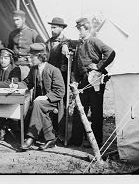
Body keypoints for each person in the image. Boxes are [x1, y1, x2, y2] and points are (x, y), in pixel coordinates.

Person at [69, 18, 115, 147]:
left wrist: (99, 66)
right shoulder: (79, 43)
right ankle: (76, 140)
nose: (78, 31)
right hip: (83, 81)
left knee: (96, 112)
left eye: (80, 29)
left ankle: (96, 141)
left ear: (87, 29)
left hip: (94, 80)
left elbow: (110, 52)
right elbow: (76, 62)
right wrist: (75, 79)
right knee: (80, 109)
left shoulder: (94, 41)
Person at [18, 43, 65, 151]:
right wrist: (16, 85)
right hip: (39, 102)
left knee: (37, 103)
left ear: (41, 57)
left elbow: (60, 91)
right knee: (37, 104)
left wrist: (46, 97)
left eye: (32, 57)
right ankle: (51, 138)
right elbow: (27, 83)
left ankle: (30, 138)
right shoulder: (34, 69)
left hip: (53, 100)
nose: (30, 59)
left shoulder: (54, 70)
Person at [0, 48, 26, 140]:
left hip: (9, 99)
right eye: (1, 58)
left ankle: (3, 128)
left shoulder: (15, 69)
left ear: (10, 59)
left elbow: (12, 83)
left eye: (6, 58)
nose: (3, 60)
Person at [45, 17, 70, 142]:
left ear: (62, 28)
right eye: (51, 27)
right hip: (49, 78)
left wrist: (65, 45)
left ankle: (61, 134)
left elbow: (70, 56)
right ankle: (50, 132)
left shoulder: (67, 42)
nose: (52, 29)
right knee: (49, 102)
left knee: (61, 105)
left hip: (62, 79)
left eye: (54, 27)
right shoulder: (48, 42)